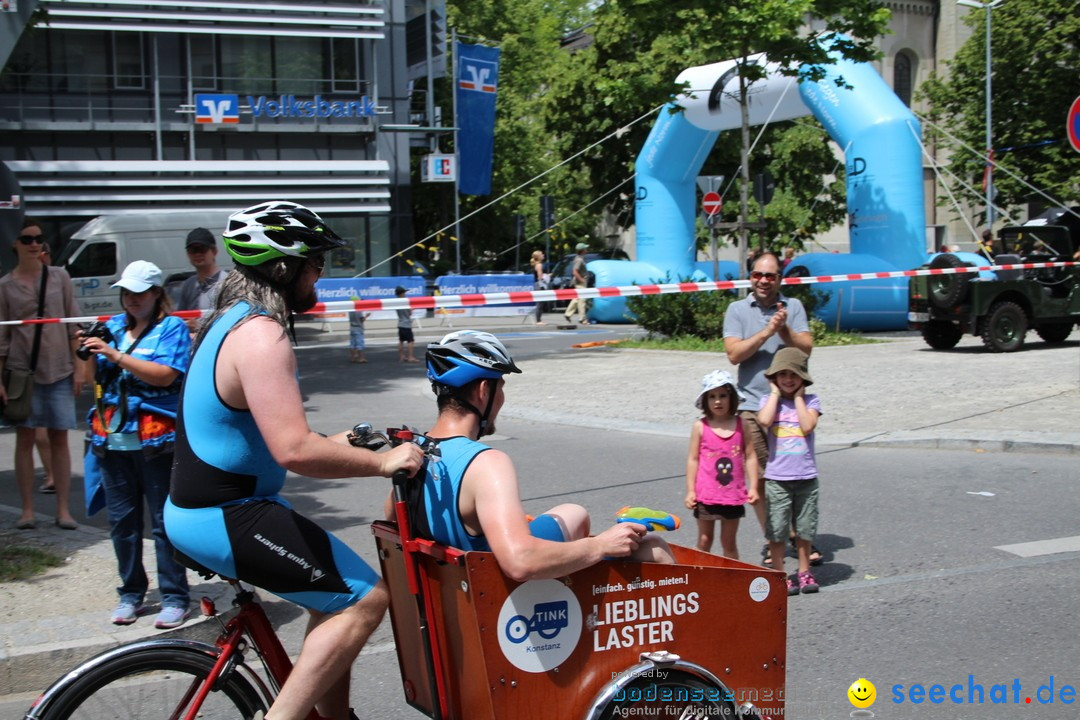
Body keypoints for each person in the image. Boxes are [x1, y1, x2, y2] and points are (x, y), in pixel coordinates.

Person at [164, 200, 423, 720]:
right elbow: (295, 450)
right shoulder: (263, 334)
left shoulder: (231, 320)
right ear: (283, 267)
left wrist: (342, 440)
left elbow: (270, 438)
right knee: (366, 598)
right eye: (316, 264)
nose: (320, 276)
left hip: (215, 506)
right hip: (224, 513)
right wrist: (384, 462)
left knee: (330, 597)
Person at [402, 330, 672, 580]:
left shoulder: (411, 453)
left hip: (452, 581)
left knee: (573, 513)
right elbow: (520, 561)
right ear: (484, 390)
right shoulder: (485, 463)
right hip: (497, 593)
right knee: (655, 548)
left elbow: (400, 517)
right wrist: (600, 545)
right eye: (502, 386)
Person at [80, 260, 193, 628]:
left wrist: (116, 355)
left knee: (163, 523)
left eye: (139, 292)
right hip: (112, 440)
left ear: (157, 294)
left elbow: (164, 377)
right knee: (121, 524)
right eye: (126, 292)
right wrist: (89, 350)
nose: (131, 299)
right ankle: (131, 594)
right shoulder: (111, 326)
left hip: (157, 442)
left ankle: (175, 596)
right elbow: (93, 378)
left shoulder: (172, 328)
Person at [722, 251, 816, 567]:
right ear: (751, 277)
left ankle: (796, 537)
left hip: (790, 405)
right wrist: (765, 332)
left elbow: (805, 348)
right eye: (759, 275)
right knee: (760, 479)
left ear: (779, 279)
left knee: (793, 476)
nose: (764, 281)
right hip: (751, 405)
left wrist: (784, 328)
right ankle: (774, 538)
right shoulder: (737, 309)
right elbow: (734, 354)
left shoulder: (794, 307)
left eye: (771, 276)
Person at [0, 218, 83, 530]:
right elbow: (1, 340)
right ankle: (27, 510)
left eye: (39, 239)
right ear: (16, 244)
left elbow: (73, 324)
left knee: (59, 438)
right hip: (22, 373)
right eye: (27, 239)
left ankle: (63, 510)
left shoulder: (59, 277)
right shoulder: (5, 286)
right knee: (25, 439)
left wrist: (79, 369)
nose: (34, 244)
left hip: (59, 370)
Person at [756, 347, 822, 596]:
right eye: (781, 374)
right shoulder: (768, 402)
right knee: (777, 530)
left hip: (806, 477)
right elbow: (763, 421)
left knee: (805, 529)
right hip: (777, 479)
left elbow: (807, 426)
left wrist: (798, 398)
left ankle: (804, 571)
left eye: (793, 374)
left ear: (802, 378)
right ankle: (780, 574)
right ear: (774, 378)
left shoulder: (811, 401)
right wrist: (774, 392)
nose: (788, 379)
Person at [684, 370, 759, 560]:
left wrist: (754, 487)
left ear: (731, 397)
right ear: (705, 400)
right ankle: (699, 578)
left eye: (723, 395)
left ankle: (730, 582)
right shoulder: (700, 426)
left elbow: (750, 456)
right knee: (704, 540)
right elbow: (693, 459)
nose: (718, 401)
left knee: (729, 543)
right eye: (712, 396)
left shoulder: (742, 425)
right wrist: (691, 491)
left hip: (732, 495)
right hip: (706, 495)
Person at [176, 227, 228, 334]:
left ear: (214, 251)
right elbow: (180, 318)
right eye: (193, 250)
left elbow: (232, 320)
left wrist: (201, 326)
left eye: (202, 249)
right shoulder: (188, 285)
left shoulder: (227, 283)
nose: (197, 254)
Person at [563, 242, 590, 325]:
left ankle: (567, 314)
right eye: (585, 248)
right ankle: (582, 319)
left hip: (580, 282)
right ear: (582, 250)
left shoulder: (580, 258)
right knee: (582, 300)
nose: (586, 249)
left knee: (576, 298)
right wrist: (581, 279)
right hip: (580, 282)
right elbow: (575, 271)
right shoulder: (579, 259)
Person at [396, 285, 418, 363]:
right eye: (404, 292)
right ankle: (410, 357)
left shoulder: (395, 302)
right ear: (402, 293)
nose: (405, 293)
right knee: (410, 341)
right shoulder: (405, 301)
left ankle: (402, 357)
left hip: (400, 323)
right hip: (406, 324)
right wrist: (412, 309)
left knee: (401, 341)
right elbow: (409, 313)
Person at [529, 249, 547, 325]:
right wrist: (545, 278)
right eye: (542, 254)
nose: (543, 255)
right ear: (538, 257)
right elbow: (540, 276)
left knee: (540, 302)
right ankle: (538, 320)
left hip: (537, 284)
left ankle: (538, 319)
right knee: (540, 302)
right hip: (539, 284)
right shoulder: (539, 265)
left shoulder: (537, 265)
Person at [348, 298, 368, 364]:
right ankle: (361, 358)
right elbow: (361, 319)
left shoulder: (350, 310)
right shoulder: (358, 310)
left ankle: (353, 358)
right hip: (358, 328)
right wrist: (366, 316)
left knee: (352, 344)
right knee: (360, 344)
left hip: (352, 328)